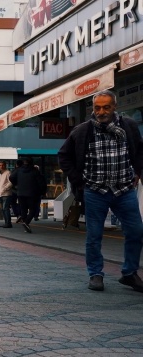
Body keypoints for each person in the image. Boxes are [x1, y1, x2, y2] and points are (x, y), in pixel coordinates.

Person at [58, 89, 143, 292]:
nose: (101, 111)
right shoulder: (82, 130)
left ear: (115, 107)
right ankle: (95, 274)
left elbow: (139, 151)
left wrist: (138, 172)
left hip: (124, 189)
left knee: (136, 231)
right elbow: (64, 156)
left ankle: (129, 273)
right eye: (97, 107)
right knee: (94, 235)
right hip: (95, 191)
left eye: (106, 107)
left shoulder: (129, 126)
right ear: (92, 109)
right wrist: (79, 181)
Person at [10, 157, 44, 233]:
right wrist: (42, 191)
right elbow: (41, 182)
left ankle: (25, 222)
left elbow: (11, 177)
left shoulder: (18, 170)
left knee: (23, 209)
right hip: (32, 193)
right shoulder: (35, 171)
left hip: (21, 192)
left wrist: (16, 184)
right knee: (33, 209)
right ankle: (26, 222)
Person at [0, 161, 13, 228]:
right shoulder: (0, 174)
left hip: (6, 193)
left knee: (5, 208)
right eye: (0, 165)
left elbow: (11, 182)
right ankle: (6, 222)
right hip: (0, 194)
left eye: (3, 165)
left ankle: (8, 223)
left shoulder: (8, 173)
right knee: (3, 209)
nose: (1, 166)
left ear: (5, 165)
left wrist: (4, 189)